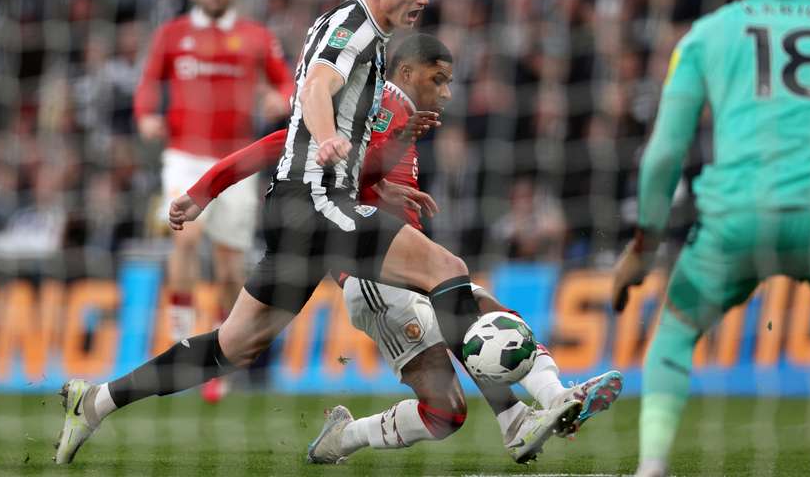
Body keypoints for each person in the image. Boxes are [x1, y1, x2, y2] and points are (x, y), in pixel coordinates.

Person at [53, 0, 540, 466]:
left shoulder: (367, 37)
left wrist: (207, 190)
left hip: (301, 208)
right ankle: (514, 417)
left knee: (232, 347)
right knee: (447, 269)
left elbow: (287, 137)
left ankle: (96, 401)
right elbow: (314, 92)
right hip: (316, 200)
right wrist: (330, 135)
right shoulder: (352, 28)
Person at [173, 32, 623, 463]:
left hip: (407, 265)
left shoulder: (398, 114)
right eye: (439, 80)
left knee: (461, 370)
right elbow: (304, 156)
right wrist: (201, 192)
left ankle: (547, 401)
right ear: (406, 73)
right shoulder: (382, 104)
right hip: (371, 275)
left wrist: (380, 183)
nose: (446, 93)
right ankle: (520, 416)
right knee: (465, 349)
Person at [610, 0, 810, 477]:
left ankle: (652, 465)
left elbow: (662, 155)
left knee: (675, 333)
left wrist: (644, 247)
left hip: (737, 216)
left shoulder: (707, 34)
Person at [133, 0, 293, 401]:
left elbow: (286, 83)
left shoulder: (256, 37)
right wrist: (146, 115)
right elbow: (147, 82)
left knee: (229, 268)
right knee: (183, 238)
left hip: (238, 162)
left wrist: (279, 98)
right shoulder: (172, 35)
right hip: (183, 155)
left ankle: (216, 359)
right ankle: (179, 336)